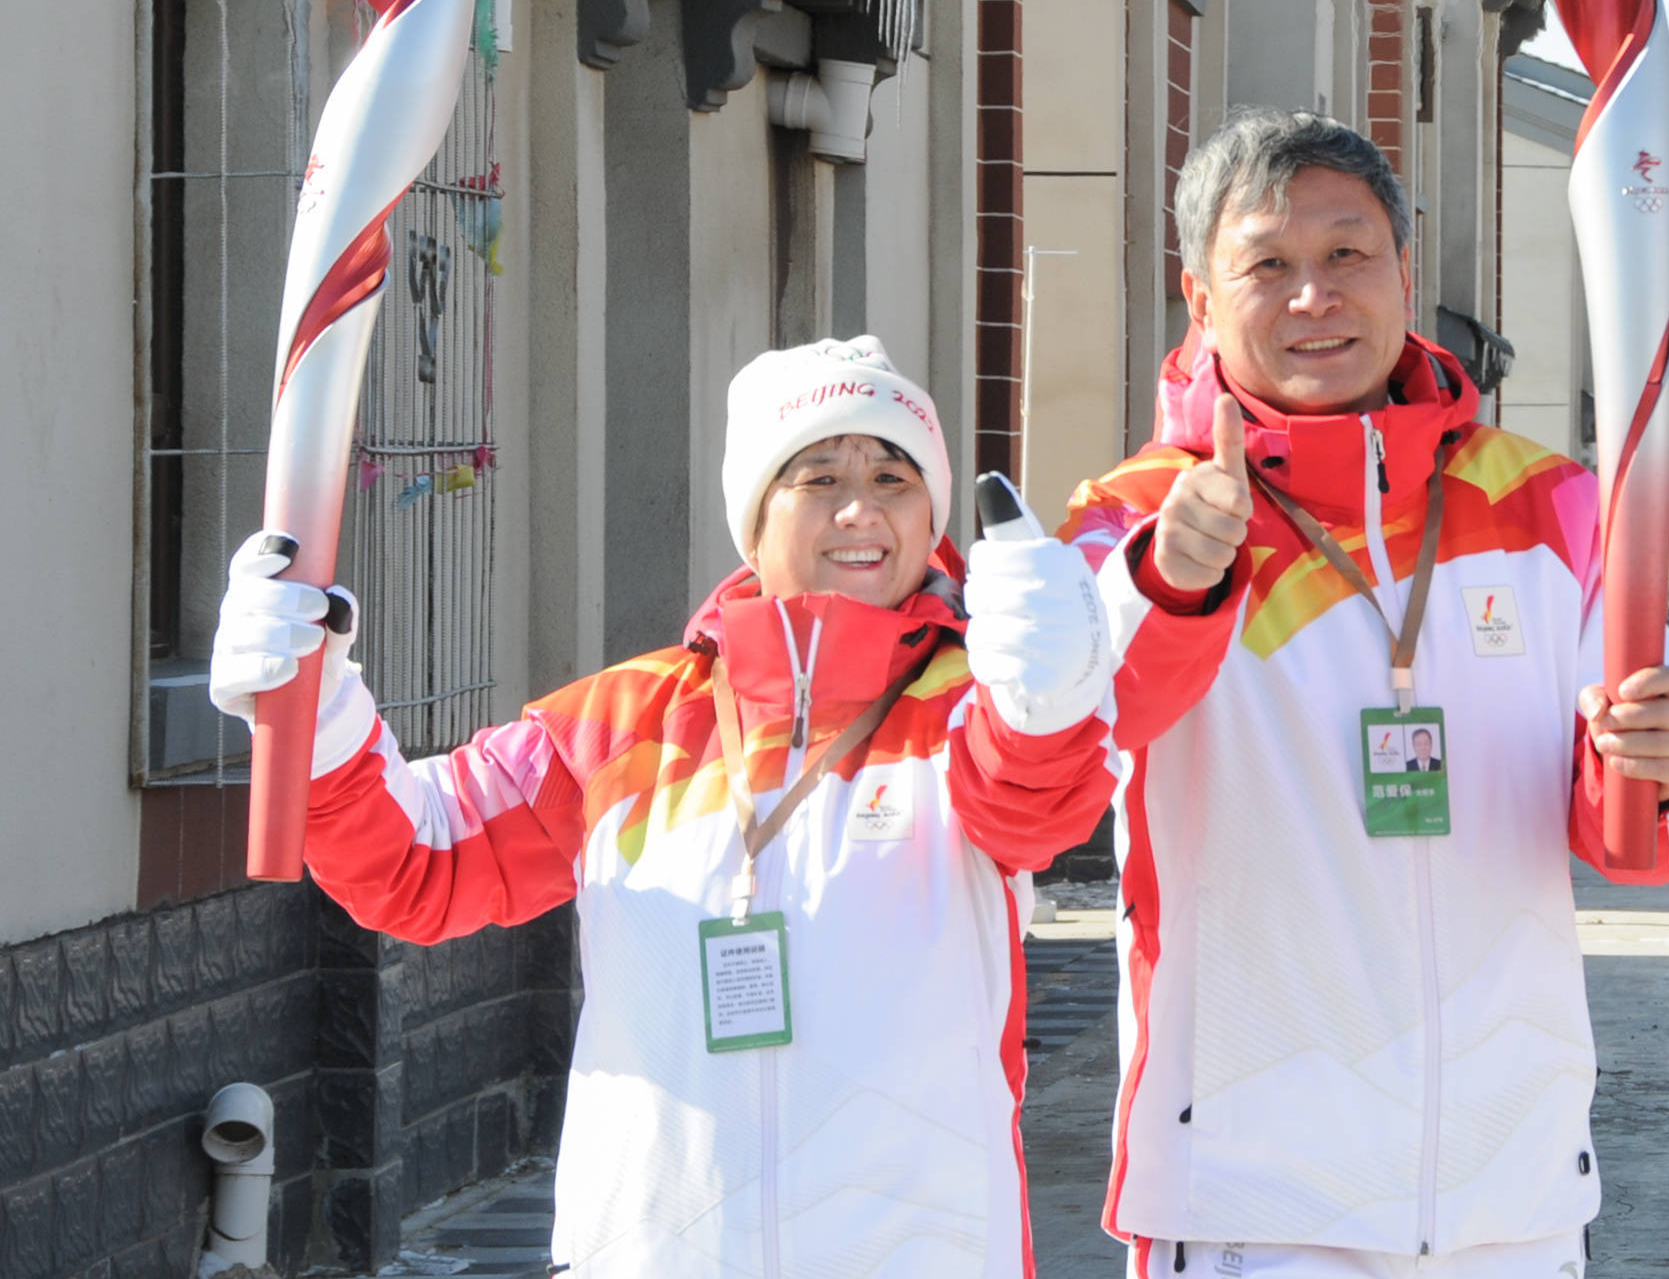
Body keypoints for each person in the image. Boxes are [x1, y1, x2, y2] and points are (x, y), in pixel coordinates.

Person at [975, 109, 1669, 1277]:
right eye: (1267, 266)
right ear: (1199, 295)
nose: (1313, 298)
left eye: (1346, 255)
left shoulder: (1551, 507)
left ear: (1403, 271)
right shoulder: (1133, 519)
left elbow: (1647, 843)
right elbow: (1056, 772)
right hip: (1254, 1203)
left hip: (1509, 1193)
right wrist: (1174, 583)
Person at [209, 337, 1119, 1278]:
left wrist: (1051, 695)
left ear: (932, 513)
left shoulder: (969, 707)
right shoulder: (618, 723)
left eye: (894, 476)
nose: (861, 510)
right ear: (753, 520)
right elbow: (418, 863)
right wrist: (316, 717)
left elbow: (1036, 805)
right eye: (818, 476)